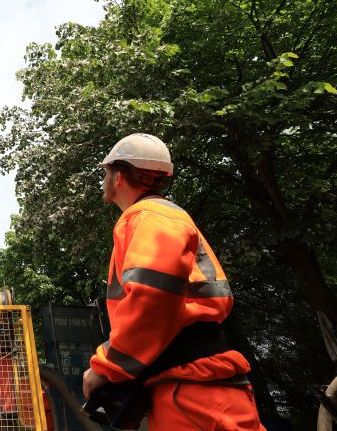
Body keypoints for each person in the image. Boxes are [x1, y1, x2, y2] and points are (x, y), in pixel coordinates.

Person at [82, 133, 265, 430]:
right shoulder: (161, 217)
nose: (103, 179)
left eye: (105, 172)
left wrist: (106, 366)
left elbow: (152, 298)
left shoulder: (148, 216)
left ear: (118, 176)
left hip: (193, 394)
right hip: (198, 385)